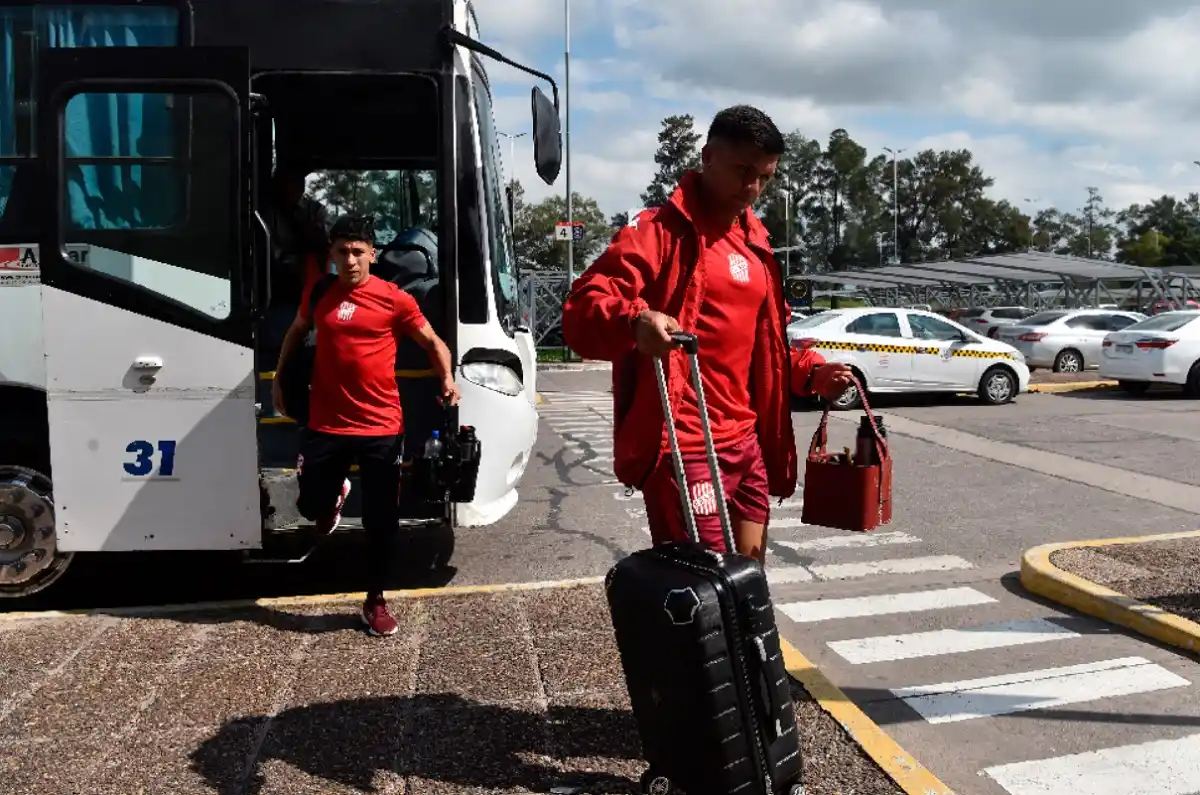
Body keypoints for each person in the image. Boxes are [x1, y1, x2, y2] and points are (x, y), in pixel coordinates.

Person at [561, 105, 853, 562]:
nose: (752, 187)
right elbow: (583, 309)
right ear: (708, 156)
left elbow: (767, 346)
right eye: (742, 170)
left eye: (765, 176)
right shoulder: (657, 231)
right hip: (685, 446)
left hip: (747, 442)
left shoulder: (756, 244)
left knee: (749, 577)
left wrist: (812, 373)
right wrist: (635, 321)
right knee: (704, 586)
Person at [271, 214, 460, 637]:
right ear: (332, 255)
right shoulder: (320, 292)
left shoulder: (395, 299)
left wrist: (447, 378)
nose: (351, 260)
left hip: (380, 427)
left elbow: (434, 343)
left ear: (372, 254)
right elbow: (294, 334)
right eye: (342, 252)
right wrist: (281, 381)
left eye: (358, 252)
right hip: (326, 423)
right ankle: (331, 495)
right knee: (309, 508)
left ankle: (375, 599)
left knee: (382, 521)